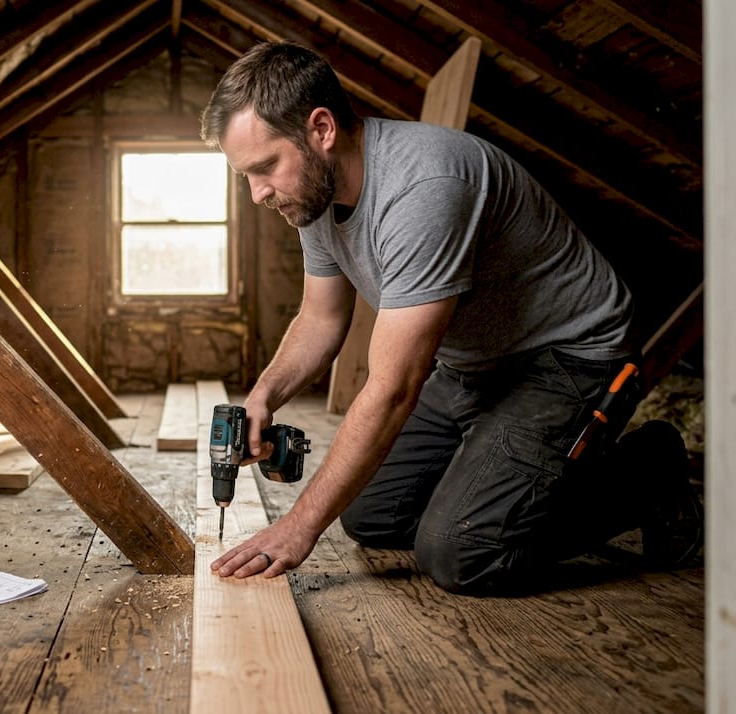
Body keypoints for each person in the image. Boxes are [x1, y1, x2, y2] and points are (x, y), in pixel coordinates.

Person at [199, 40, 702, 594]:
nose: (257, 194)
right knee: (373, 517)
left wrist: (297, 527)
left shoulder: (424, 187)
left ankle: (649, 469)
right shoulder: (314, 197)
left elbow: (392, 390)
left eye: (265, 167)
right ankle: (497, 482)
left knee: (463, 553)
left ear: (321, 129)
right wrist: (264, 396)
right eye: (245, 175)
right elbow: (320, 318)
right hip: (474, 364)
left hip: (569, 360)